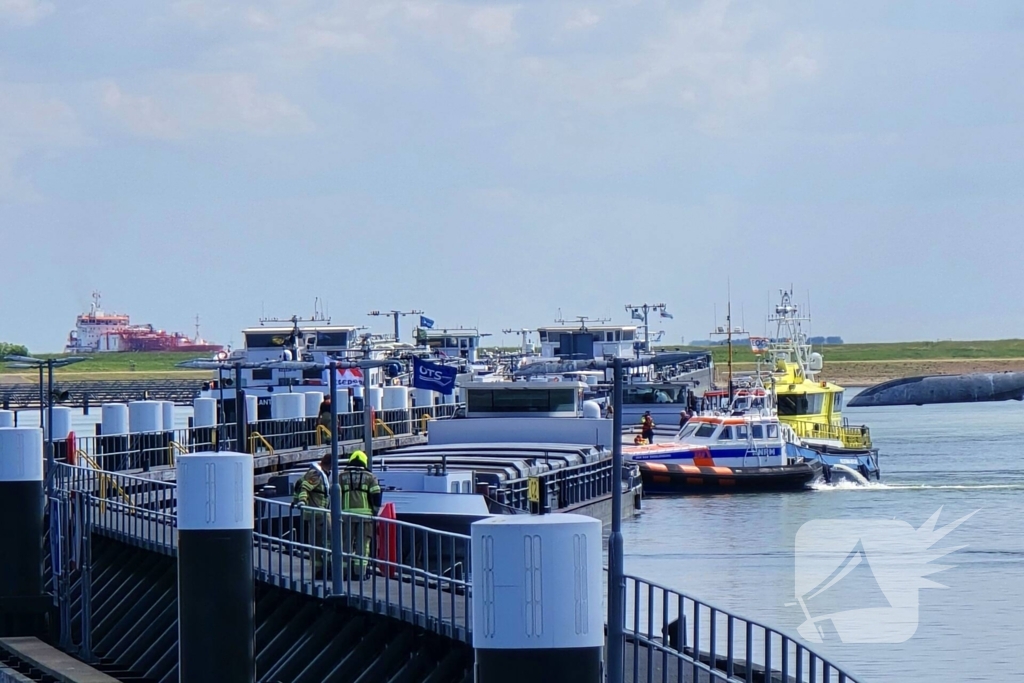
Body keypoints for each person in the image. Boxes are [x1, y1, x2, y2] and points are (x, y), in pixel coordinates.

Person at [339, 450, 382, 579]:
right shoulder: (370, 477)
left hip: (346, 515)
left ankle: (344, 573)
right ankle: (360, 573)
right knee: (363, 545)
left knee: (345, 544)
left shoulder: (341, 476)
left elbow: (334, 495)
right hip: (365, 516)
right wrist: (375, 511)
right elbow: (376, 495)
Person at [291, 453, 332, 578]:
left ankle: (319, 570)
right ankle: (328, 569)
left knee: (316, 543)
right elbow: (304, 488)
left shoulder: (312, 472)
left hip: (314, 513)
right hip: (319, 512)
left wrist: (296, 501)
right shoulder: (316, 474)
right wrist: (302, 500)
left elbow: (299, 484)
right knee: (330, 540)